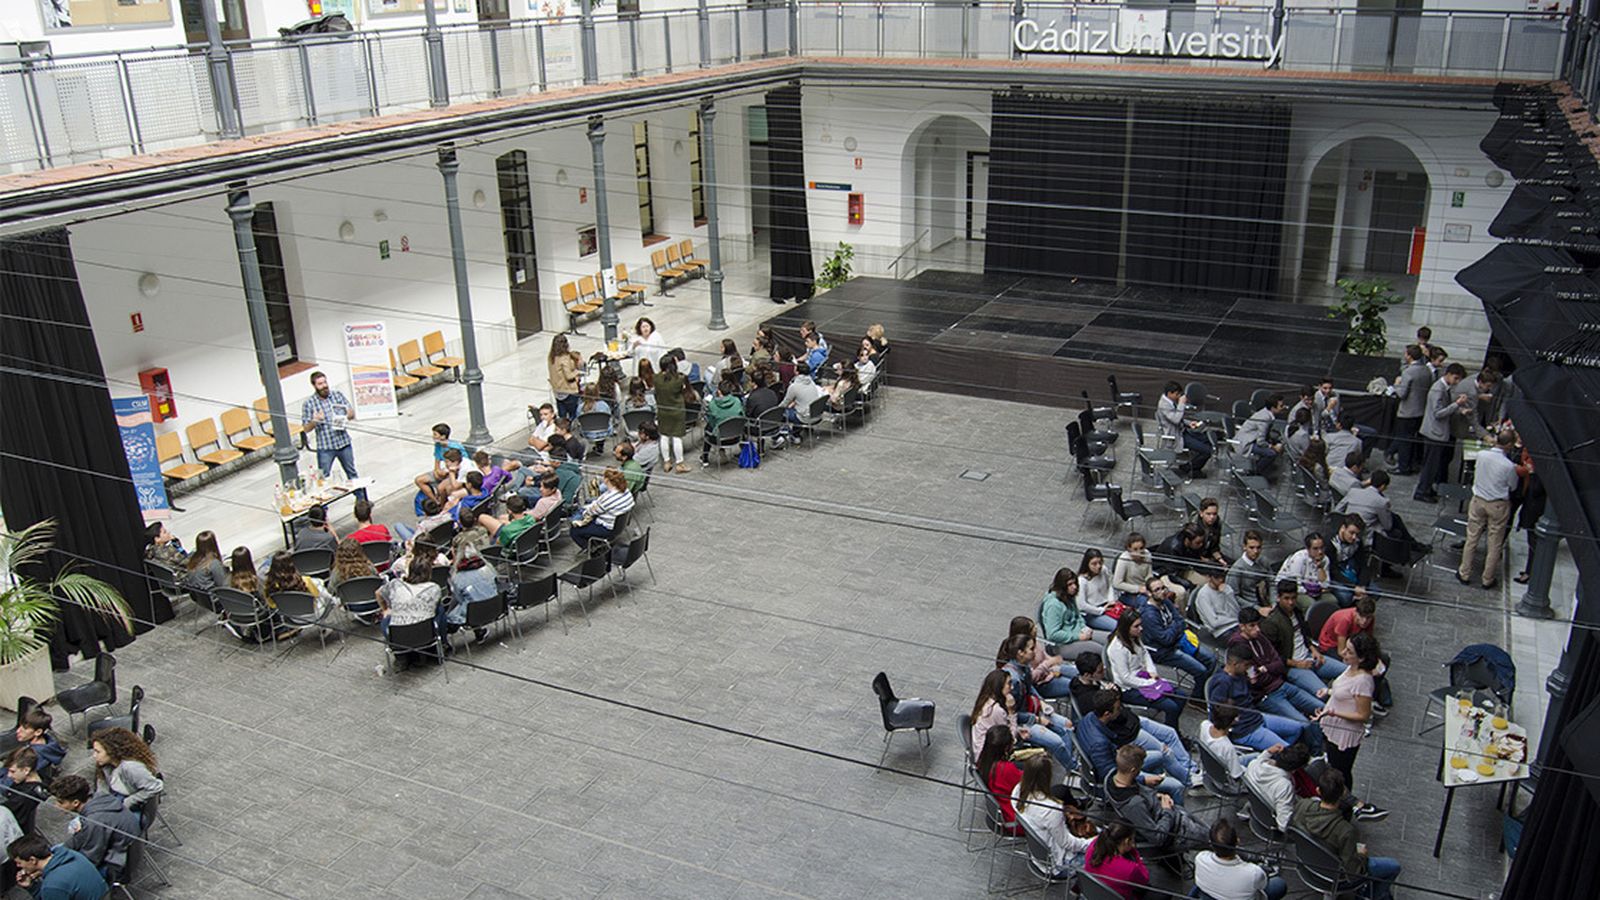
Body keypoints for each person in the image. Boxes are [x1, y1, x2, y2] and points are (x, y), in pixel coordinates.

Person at [1291, 769, 1402, 899]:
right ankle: (1368, 896)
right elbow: (1352, 872)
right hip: (1336, 878)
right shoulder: (1346, 831)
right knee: (1393, 866)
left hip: (1306, 864)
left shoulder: (1303, 805)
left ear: (1318, 791)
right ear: (1343, 794)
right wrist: (1361, 855)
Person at [1077, 689, 1199, 802]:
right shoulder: (1099, 744)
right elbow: (1112, 776)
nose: (1120, 711)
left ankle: (1190, 781)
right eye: (1118, 708)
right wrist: (1143, 779)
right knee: (1176, 786)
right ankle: (1176, 815)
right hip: (1117, 774)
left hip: (1118, 761)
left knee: (1162, 754)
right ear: (1107, 714)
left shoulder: (1088, 718)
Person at [1319, 633, 1388, 820]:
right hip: (1332, 727)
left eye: (1349, 651)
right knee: (1334, 767)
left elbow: (1363, 715)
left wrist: (1334, 712)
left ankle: (1348, 808)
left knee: (1339, 772)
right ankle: (1347, 804)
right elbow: (1345, 691)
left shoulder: (1363, 681)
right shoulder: (1351, 669)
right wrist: (1329, 691)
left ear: (1362, 657)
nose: (1343, 653)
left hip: (1344, 733)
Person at [1228, 609, 1325, 742]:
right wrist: (1268, 670)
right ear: (1242, 627)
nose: (1257, 629)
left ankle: (1321, 748)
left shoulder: (1259, 637)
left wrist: (1266, 668)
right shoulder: (1238, 644)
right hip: (1267, 695)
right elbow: (1256, 679)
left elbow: (1279, 663)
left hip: (1281, 684)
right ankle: (1314, 754)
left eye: (1258, 624)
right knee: (1304, 723)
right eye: (1252, 626)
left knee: (1321, 708)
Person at [968, 668, 1076, 776]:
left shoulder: (986, 701)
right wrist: (1011, 711)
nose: (1012, 687)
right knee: (1040, 764)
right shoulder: (997, 710)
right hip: (991, 761)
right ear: (999, 687)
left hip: (987, 752)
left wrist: (1018, 730)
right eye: (1009, 684)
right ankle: (1072, 768)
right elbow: (1011, 739)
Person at [1104, 744, 1210, 852]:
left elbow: (1135, 787)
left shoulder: (1110, 778)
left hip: (1172, 814)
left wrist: (1152, 791)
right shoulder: (1134, 804)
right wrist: (1167, 810)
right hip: (1177, 832)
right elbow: (1158, 837)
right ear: (1133, 770)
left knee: (1209, 831)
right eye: (1140, 767)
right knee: (1215, 841)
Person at [1207, 645, 1306, 751]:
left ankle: (1274, 757)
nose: (1248, 668)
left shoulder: (1240, 675)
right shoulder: (1222, 682)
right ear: (1235, 664)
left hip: (1257, 717)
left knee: (1297, 728)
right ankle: (1277, 756)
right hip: (1245, 730)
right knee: (1286, 751)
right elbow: (1217, 711)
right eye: (1246, 665)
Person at [1011, 755, 1096, 877]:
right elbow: (1067, 843)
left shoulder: (1017, 791)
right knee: (1105, 853)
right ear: (1047, 777)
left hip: (1039, 854)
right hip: (1056, 865)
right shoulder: (1050, 809)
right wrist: (1093, 844)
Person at [1259, 580, 1345, 699]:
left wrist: (1314, 650)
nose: (1291, 602)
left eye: (1294, 598)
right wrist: (1297, 664)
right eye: (1286, 598)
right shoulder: (1272, 622)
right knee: (1324, 693)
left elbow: (1305, 634)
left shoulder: (1297, 611)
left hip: (1309, 655)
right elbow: (1273, 656)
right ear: (1278, 598)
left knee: (1348, 672)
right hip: (1293, 666)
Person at [1458, 428, 1519, 589]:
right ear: (1509, 445)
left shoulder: (1482, 455)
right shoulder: (1509, 466)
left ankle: (1464, 572)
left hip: (1478, 500)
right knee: (1495, 543)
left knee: (1472, 538)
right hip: (1498, 504)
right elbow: (1513, 486)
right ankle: (1487, 578)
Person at [48, 774, 142, 877]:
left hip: (117, 863)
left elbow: (91, 859)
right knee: (57, 850)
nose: (57, 806)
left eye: (61, 802)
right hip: (126, 847)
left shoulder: (94, 821)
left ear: (75, 803)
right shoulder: (101, 797)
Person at [1104, 612, 1183, 728]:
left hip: (1143, 677)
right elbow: (1125, 678)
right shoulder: (1117, 649)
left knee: (1181, 696)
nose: (1140, 629)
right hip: (1129, 688)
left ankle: (1172, 726)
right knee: (1171, 706)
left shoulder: (1134, 637)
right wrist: (1149, 683)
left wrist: (1152, 671)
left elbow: (1145, 653)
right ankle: (1173, 731)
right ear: (1126, 627)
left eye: (1140, 625)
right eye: (1136, 626)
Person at [1316, 596, 1391, 712]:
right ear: (1356, 612)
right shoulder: (1345, 620)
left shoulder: (1369, 621)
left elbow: (1368, 642)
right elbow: (1342, 651)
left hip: (1354, 645)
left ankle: (1370, 697)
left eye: (1368, 618)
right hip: (1331, 646)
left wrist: (1376, 659)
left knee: (1384, 659)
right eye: (1362, 617)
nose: (1365, 622)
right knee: (1361, 669)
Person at [299, 371, 364, 498]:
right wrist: (315, 421)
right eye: (320, 384)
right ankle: (323, 510)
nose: (324, 386)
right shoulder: (309, 404)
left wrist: (344, 416)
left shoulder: (337, 395)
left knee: (352, 473)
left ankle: (361, 501)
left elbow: (351, 413)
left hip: (343, 442)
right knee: (323, 478)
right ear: (314, 386)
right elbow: (306, 428)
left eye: (325, 382)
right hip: (326, 447)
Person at [1139, 576, 1213, 682]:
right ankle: (1196, 697)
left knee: (1211, 659)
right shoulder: (1149, 615)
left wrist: (1174, 626)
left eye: (1163, 588)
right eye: (1157, 590)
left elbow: (1181, 620)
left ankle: (1205, 686)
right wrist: (1175, 625)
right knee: (1201, 671)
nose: (1162, 592)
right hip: (1164, 651)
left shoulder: (1165, 601)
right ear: (1150, 593)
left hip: (1179, 641)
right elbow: (1166, 639)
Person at [1415, 363, 1470, 503]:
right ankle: (1422, 491)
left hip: (1436, 431)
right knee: (1430, 465)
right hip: (1435, 432)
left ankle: (1426, 488)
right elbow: (1438, 413)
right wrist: (1457, 404)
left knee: (1432, 464)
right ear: (1449, 374)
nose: (1457, 382)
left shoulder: (1444, 388)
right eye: (1456, 378)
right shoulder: (1438, 390)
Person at [1195, 818, 1287, 900]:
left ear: (1211, 843)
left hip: (1209, 895)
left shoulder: (1200, 858)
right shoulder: (1253, 873)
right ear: (1237, 841)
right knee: (1279, 884)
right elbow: (1262, 886)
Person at [6, 834, 108, 900]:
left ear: (33, 860)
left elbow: (54, 890)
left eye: (19, 862)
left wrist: (34, 889)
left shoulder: (53, 885)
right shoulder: (71, 854)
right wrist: (31, 885)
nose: (18, 866)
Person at [89, 728, 162, 814]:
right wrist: (101, 803)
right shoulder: (105, 764)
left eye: (98, 752)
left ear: (112, 751)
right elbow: (102, 784)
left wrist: (127, 803)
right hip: (113, 797)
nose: (94, 756)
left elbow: (155, 787)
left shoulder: (131, 767)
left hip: (130, 803)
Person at [377, 552, 442, 642]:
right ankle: (443, 642)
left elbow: (378, 593)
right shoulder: (434, 588)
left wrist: (385, 609)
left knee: (386, 618)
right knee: (440, 608)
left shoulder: (395, 583)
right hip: (426, 635)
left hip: (398, 637)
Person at [446, 543, 501, 642]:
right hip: (497, 607)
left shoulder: (457, 578)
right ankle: (479, 632)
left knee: (460, 608)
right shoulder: (488, 568)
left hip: (474, 614)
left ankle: (448, 637)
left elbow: (460, 599)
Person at [1040, 568, 1105, 651]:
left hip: (1078, 631)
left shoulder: (1068, 596)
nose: (1074, 587)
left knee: (1109, 639)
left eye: (1075, 583)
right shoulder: (1054, 605)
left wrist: (1084, 627)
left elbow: (1078, 615)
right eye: (1070, 584)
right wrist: (1077, 636)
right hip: (1063, 643)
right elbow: (1053, 634)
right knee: (1099, 650)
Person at [1156, 380, 1212, 477]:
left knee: (1208, 439)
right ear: (1170, 393)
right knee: (1208, 451)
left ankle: (1190, 466)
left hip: (1183, 431)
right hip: (1177, 436)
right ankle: (1191, 469)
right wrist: (1181, 404)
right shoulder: (1163, 405)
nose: (1178, 397)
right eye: (1177, 394)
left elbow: (1176, 418)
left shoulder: (1170, 401)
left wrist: (1189, 423)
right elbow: (1176, 419)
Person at [974, 724, 1023, 833]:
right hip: (1014, 819)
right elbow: (1026, 785)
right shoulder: (1005, 769)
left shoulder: (983, 761)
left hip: (1002, 809)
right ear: (1006, 748)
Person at [569, 468, 635, 548]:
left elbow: (591, 512)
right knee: (589, 503)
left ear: (607, 480)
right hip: (619, 524)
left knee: (574, 531)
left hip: (607, 528)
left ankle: (592, 549)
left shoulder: (609, 498)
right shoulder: (627, 492)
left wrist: (584, 510)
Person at [1081, 822, 1148, 900]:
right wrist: (1136, 856)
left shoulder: (1094, 845)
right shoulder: (1130, 868)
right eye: (1133, 839)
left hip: (1094, 894)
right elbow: (1145, 880)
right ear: (1126, 841)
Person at [1391, 343, 1431, 474]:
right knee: (1413, 439)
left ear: (1409, 356)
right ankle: (1412, 463)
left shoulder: (1408, 372)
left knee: (1404, 440)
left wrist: (1397, 385)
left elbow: (1402, 394)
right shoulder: (1426, 370)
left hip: (1407, 412)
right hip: (1420, 410)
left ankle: (1403, 467)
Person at [1197, 704, 1255, 791]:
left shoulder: (1204, 725)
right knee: (1256, 764)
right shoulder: (1227, 747)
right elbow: (1236, 774)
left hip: (1212, 767)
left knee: (1256, 756)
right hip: (1227, 782)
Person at [653, 355, 690, 474]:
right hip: (677, 410)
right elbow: (685, 391)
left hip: (663, 410)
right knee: (677, 437)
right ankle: (679, 463)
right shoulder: (679, 379)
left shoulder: (656, 378)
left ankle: (667, 462)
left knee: (664, 436)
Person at [1194, 565, 1250, 642]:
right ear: (1209, 577)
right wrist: (1234, 619)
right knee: (1244, 641)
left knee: (1257, 635)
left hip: (1236, 625)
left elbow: (1237, 611)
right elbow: (1214, 623)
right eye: (1217, 577)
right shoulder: (1203, 595)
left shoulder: (1227, 589)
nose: (1221, 580)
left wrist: (1228, 594)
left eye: (1222, 577)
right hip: (1221, 631)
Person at [1275, 531, 1331, 609]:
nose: (1320, 552)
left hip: (1315, 591)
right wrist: (1310, 592)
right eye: (1315, 549)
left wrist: (1320, 568)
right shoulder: (1299, 558)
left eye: (1322, 548)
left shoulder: (1325, 559)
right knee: (1311, 604)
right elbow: (1295, 583)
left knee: (1332, 601)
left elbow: (1326, 585)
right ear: (1308, 549)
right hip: (1294, 590)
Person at [2, 747, 51, 834]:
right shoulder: (43, 780)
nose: (9, 775)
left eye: (12, 771)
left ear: (26, 770)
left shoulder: (24, 797)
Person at [415, 423, 466, 505]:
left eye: (435, 434)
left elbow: (463, 461)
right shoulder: (438, 446)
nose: (433, 436)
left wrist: (448, 472)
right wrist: (437, 470)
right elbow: (437, 460)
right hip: (443, 470)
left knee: (441, 488)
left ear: (443, 436)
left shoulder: (456, 446)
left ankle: (442, 504)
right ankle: (435, 501)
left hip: (453, 471)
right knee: (419, 480)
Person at [1233, 394, 1285, 475]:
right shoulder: (1264, 418)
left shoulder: (1267, 413)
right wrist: (1273, 447)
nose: (1283, 407)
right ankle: (1255, 472)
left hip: (1253, 438)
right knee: (1271, 454)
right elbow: (1260, 442)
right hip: (1246, 443)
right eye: (1281, 406)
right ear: (1273, 408)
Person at [11, 708, 63, 785]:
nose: (18, 731)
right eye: (20, 726)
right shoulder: (47, 741)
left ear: (38, 732)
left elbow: (15, 777)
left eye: (25, 728)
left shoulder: (35, 756)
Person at [778, 361, 825, 445]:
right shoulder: (812, 382)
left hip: (805, 417)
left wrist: (775, 410)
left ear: (797, 372)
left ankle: (794, 435)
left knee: (782, 412)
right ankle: (799, 430)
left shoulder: (794, 386)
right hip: (816, 414)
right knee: (794, 408)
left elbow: (785, 403)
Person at [700, 380, 745, 466]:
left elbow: (712, 423)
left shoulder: (713, 404)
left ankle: (705, 458)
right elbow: (742, 416)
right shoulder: (737, 401)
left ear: (719, 391)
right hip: (736, 436)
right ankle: (744, 450)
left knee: (708, 429)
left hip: (718, 439)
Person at [1226, 530, 1273, 607]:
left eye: (1258, 547)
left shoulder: (1264, 561)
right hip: (1249, 608)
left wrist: (1273, 602)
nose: (1256, 551)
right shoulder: (1237, 569)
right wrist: (1257, 608)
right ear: (1244, 547)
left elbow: (1271, 582)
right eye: (1251, 548)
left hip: (1265, 601)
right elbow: (1233, 596)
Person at [1327, 515, 1367, 605]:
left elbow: (1363, 564)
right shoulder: (1330, 542)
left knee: (1375, 591)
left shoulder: (1357, 542)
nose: (1354, 537)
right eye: (1351, 533)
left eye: (1357, 534)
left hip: (1350, 571)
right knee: (1345, 597)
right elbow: (1332, 570)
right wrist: (1353, 587)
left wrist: (1361, 585)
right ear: (1343, 528)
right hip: (1335, 575)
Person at [1078, 549, 1120, 630]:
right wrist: (1101, 610)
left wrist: (1111, 600)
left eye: (1100, 562)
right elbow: (1082, 606)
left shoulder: (1103, 570)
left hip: (1107, 605)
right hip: (1092, 613)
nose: (1098, 566)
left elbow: (1109, 585)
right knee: (1116, 626)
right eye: (1094, 564)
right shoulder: (1082, 581)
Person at [1110, 534, 1156, 603]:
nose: (1139, 552)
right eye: (1135, 549)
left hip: (1145, 588)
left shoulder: (1147, 554)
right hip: (1129, 593)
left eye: (1141, 548)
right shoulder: (1124, 560)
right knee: (1147, 602)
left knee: (1162, 597)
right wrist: (1138, 589)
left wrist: (1151, 586)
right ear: (1129, 549)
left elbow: (1149, 574)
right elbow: (1116, 583)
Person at [548, 334, 582, 420]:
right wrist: (577, 372)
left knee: (562, 417)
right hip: (568, 391)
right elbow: (569, 376)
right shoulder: (564, 358)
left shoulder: (551, 357)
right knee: (573, 415)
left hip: (557, 391)